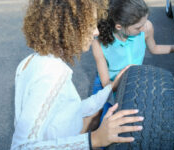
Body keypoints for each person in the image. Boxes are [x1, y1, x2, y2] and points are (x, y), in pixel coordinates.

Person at [10, 0, 144, 149]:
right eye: (90, 24)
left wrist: (110, 87)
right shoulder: (52, 72)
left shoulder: (32, 61)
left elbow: (69, 111)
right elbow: (21, 146)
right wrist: (94, 140)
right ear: (69, 27)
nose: (96, 32)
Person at [92, 0, 174, 94]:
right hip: (109, 86)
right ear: (119, 27)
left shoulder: (147, 27)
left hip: (133, 80)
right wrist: (123, 77)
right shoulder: (99, 44)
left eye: (144, 22)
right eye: (138, 28)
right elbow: (106, 84)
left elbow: (154, 48)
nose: (144, 28)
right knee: (102, 108)